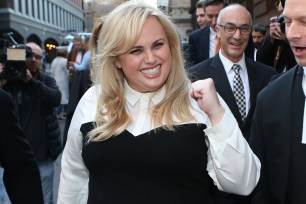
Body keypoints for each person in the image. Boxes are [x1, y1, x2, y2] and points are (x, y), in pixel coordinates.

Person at [58, 2, 260, 204]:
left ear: (171, 46)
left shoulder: (198, 100)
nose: (151, 58)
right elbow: (74, 180)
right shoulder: (93, 101)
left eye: (158, 45)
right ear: (116, 59)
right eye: (136, 50)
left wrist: (217, 114)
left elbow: (243, 183)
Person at [189, 4, 276, 204]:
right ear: (217, 30)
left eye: (244, 28)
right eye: (230, 28)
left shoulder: (269, 76)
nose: (237, 35)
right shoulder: (196, 77)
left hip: (262, 190)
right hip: (216, 190)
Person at [250, 0, 306, 203]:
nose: (292, 34)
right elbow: (260, 186)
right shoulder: (269, 99)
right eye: (288, 22)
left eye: (305, 21)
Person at [2, 42, 62, 204]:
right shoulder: (8, 82)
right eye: (29, 56)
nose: (34, 60)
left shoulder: (45, 80)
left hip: (42, 156)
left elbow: (55, 99)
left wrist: (31, 82)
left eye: (37, 56)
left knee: (45, 199)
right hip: (13, 159)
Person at [256, 0, 296, 73]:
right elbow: (260, 61)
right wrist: (271, 40)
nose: (279, 8)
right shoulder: (278, 38)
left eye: (283, 13)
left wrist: (289, 42)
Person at [187, 0, 226, 67]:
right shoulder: (195, 38)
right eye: (210, 16)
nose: (214, 22)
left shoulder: (237, 35)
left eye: (218, 16)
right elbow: (191, 69)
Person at [51, 46, 69, 119]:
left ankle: (58, 113)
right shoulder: (64, 61)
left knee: (59, 98)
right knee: (63, 98)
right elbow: (67, 72)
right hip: (62, 81)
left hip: (55, 80)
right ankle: (59, 113)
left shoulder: (54, 60)